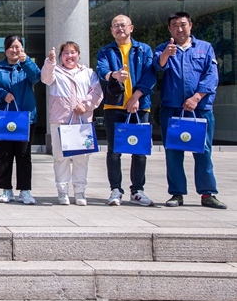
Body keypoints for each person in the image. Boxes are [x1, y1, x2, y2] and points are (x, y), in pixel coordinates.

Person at [153, 12, 226, 209]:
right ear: (169, 29)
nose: (179, 29)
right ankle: (177, 194)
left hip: (199, 108)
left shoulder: (204, 48)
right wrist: (166, 54)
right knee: (173, 152)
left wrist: (196, 97)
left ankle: (208, 193)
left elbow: (212, 75)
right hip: (172, 109)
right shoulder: (163, 48)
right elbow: (157, 67)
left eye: (183, 24)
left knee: (203, 150)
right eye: (175, 25)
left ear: (190, 26)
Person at [97, 14, 156, 207]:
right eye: (115, 26)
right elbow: (102, 71)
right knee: (114, 151)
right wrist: (114, 75)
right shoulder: (106, 51)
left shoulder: (144, 50)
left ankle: (137, 190)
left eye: (123, 25)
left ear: (131, 28)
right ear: (111, 30)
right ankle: (116, 190)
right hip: (114, 107)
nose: (119, 28)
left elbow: (150, 75)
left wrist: (136, 97)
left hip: (140, 107)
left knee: (139, 150)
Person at [41, 41, 103, 206]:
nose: (70, 56)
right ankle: (62, 191)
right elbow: (45, 78)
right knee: (60, 158)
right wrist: (50, 61)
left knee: (82, 158)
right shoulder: (55, 70)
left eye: (73, 52)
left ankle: (80, 191)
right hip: (60, 120)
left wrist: (86, 105)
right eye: (66, 53)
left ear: (78, 55)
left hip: (82, 121)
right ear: (61, 56)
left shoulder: (88, 73)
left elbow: (97, 92)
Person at [0, 35, 40, 205]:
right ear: (5, 49)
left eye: (18, 47)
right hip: (4, 118)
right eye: (11, 47)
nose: (14, 50)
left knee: (24, 155)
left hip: (25, 117)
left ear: (22, 48)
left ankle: (25, 190)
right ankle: (6, 189)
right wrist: (1, 94)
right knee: (5, 155)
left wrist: (26, 62)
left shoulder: (27, 66)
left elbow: (36, 78)